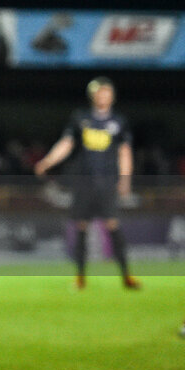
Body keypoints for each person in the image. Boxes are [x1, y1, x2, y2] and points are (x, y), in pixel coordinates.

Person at [35, 77, 139, 289]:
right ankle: (80, 277)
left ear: (112, 96)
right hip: (83, 183)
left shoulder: (118, 122)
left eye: (106, 92)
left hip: (107, 182)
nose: (103, 96)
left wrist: (125, 178)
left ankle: (126, 276)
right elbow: (67, 143)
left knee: (113, 226)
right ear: (93, 96)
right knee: (81, 227)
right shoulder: (80, 118)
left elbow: (124, 152)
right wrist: (48, 160)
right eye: (100, 93)